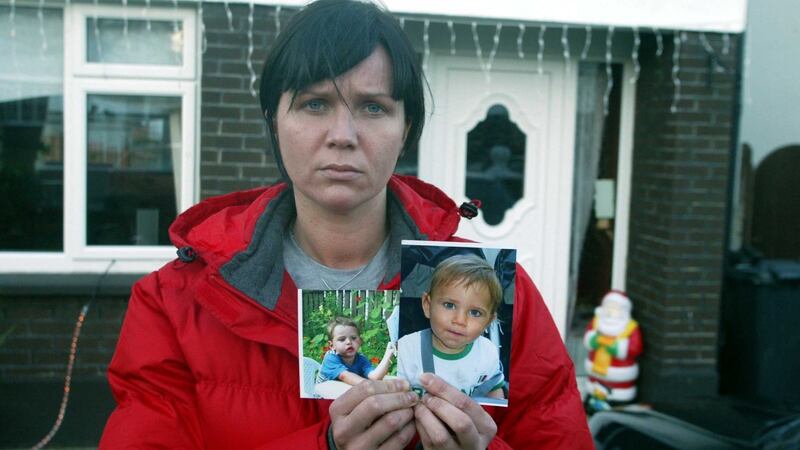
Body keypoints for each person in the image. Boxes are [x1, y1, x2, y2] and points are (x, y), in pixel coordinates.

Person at [100, 0, 593, 448]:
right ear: (274, 120)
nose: (343, 135)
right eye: (315, 104)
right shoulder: (175, 303)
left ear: (407, 132)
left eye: (373, 107)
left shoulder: (494, 292)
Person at [397, 255, 506, 400]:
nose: (460, 320)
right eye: (449, 305)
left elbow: (494, 392)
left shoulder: (488, 352)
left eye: (475, 313)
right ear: (427, 306)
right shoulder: (406, 350)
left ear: (488, 322)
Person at [318, 316, 394, 385]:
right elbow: (344, 376)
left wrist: (389, 353)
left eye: (353, 338)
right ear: (332, 345)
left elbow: (375, 377)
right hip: (324, 397)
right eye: (342, 339)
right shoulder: (331, 358)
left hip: (345, 394)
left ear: (360, 341)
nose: (349, 342)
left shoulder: (361, 359)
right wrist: (371, 386)